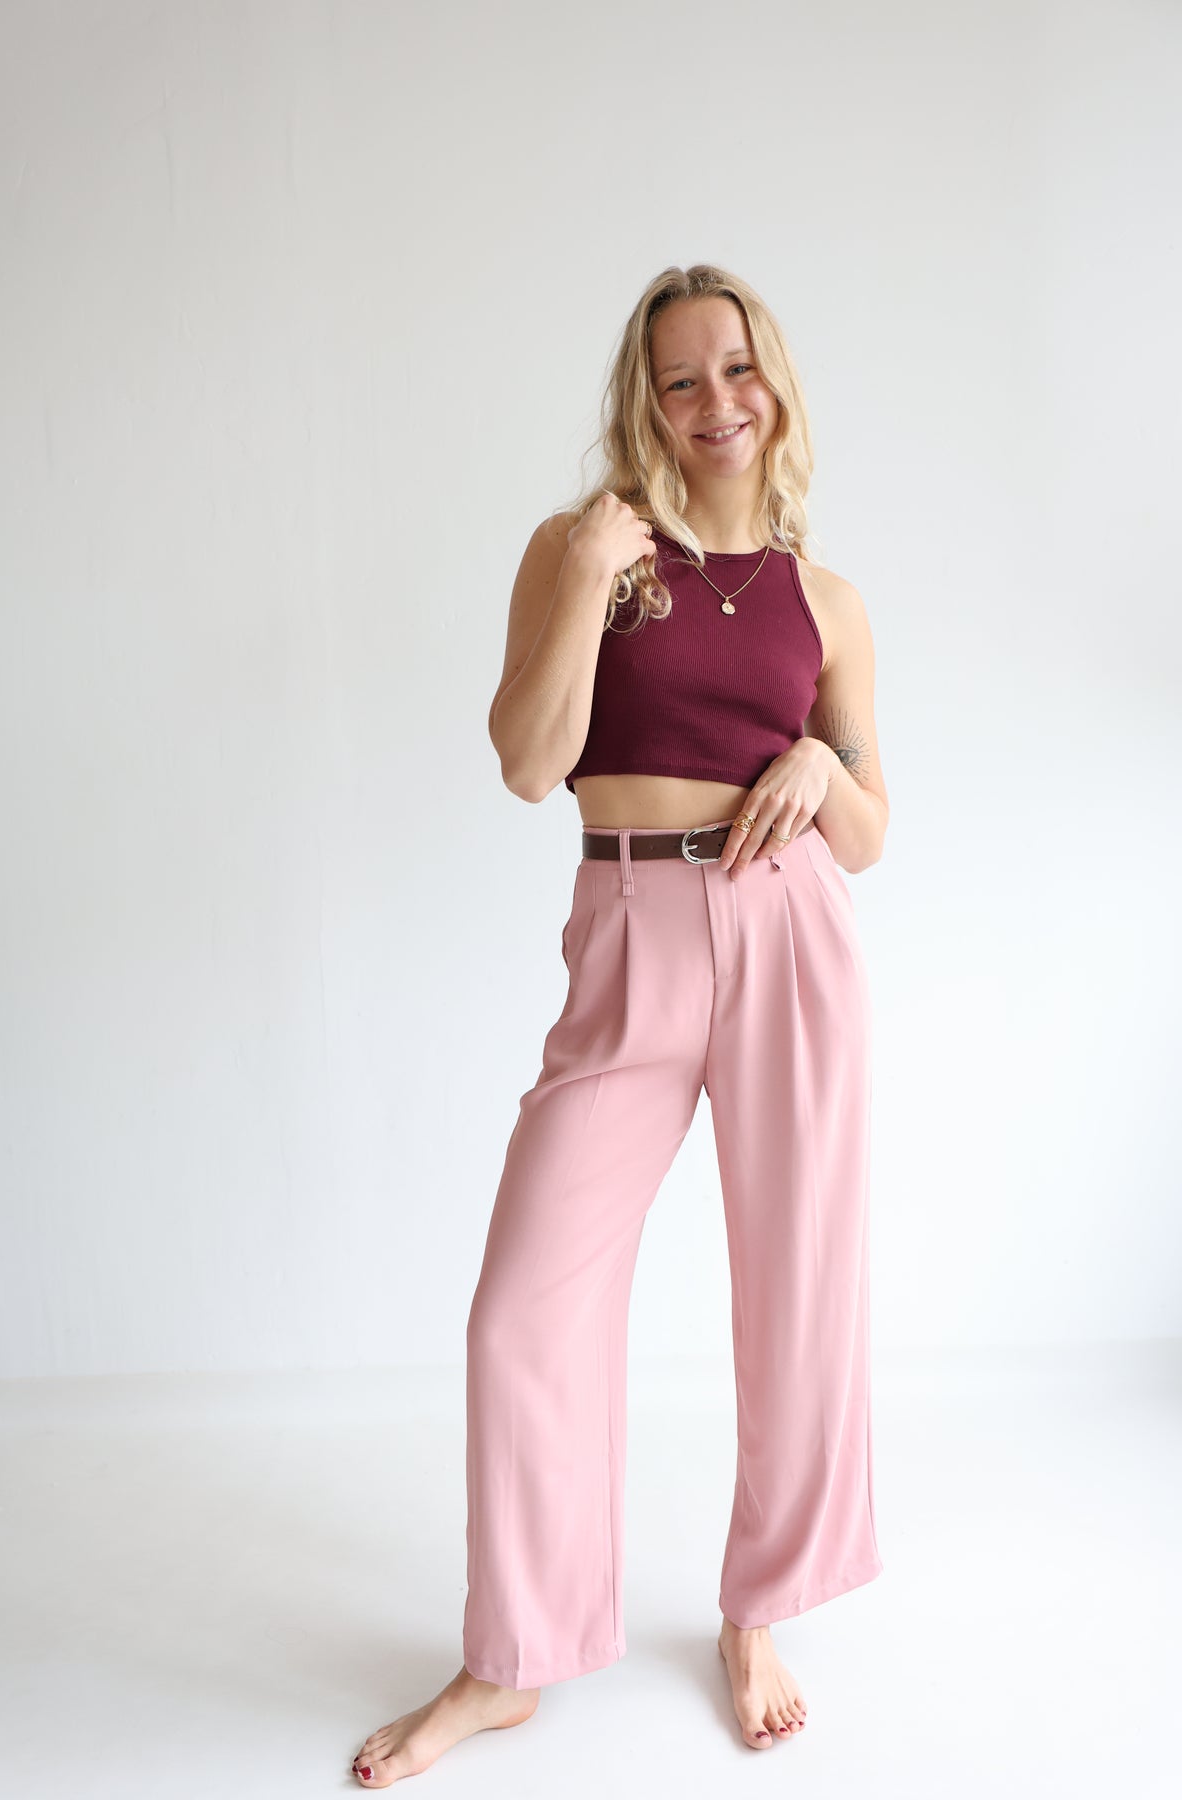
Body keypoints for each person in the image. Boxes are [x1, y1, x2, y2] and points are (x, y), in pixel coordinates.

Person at [350, 264, 889, 1787]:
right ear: (644, 402)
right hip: (632, 927)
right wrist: (591, 573)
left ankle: (758, 1613)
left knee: (800, 1286)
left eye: (737, 368)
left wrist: (820, 771)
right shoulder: (582, 548)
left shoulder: (826, 601)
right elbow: (530, 763)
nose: (716, 401)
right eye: (680, 378)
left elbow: (869, 830)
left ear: (774, 385)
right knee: (524, 1307)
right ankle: (511, 1658)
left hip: (789, 929)